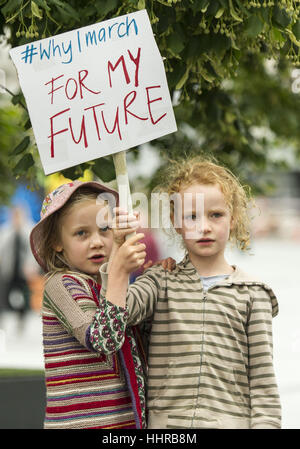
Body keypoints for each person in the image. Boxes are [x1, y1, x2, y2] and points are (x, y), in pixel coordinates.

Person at [100, 156, 282, 429]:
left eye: (216, 215)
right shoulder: (159, 282)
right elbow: (115, 318)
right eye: (192, 216)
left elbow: (263, 383)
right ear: (175, 222)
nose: (204, 226)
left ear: (233, 218)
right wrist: (118, 255)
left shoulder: (253, 294)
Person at [29, 180, 148, 429]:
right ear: (56, 242)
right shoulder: (61, 285)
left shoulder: (105, 283)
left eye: (105, 229)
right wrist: (118, 271)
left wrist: (158, 274)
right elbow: (105, 340)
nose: (96, 242)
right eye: (81, 233)